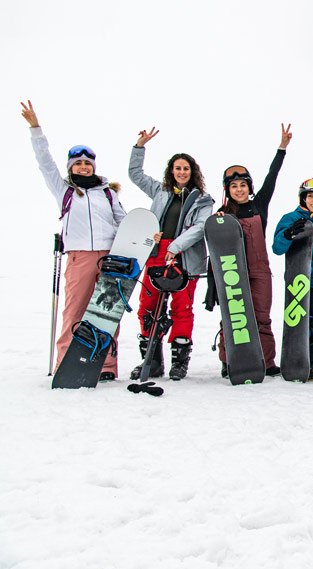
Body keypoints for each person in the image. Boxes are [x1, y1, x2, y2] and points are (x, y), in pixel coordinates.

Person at [23, 100, 127, 380]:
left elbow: (123, 222)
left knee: (107, 314)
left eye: (87, 163)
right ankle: (64, 364)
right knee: (75, 312)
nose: (83, 167)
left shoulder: (108, 193)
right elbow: (45, 163)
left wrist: (140, 237)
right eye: (78, 163)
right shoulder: (64, 191)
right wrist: (36, 129)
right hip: (79, 257)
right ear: (71, 167)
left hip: (109, 257)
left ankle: (105, 366)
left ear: (93, 166)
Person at [128, 127, 214, 381]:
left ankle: (180, 361)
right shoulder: (160, 191)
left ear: (192, 172)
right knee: (148, 305)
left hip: (185, 257)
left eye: (186, 168)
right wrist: (139, 146)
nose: (181, 172)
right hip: (156, 253)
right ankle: (150, 360)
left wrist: (175, 246)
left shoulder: (203, 200)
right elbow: (134, 174)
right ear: (171, 171)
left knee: (181, 307)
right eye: (177, 168)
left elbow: (199, 228)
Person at [206, 123, 292, 377]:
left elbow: (271, 177)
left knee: (261, 317)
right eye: (234, 187)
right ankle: (229, 359)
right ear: (227, 191)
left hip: (260, 270)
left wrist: (282, 148)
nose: (239, 190)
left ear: (249, 187)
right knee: (232, 318)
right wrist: (220, 223)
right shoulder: (222, 216)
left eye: (243, 185)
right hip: (233, 272)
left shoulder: (259, 205)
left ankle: (267, 362)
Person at [272, 179, 313, 380]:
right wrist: (287, 234)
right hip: (303, 283)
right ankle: (305, 364)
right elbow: (277, 248)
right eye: (310, 196)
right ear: (303, 197)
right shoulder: (290, 218)